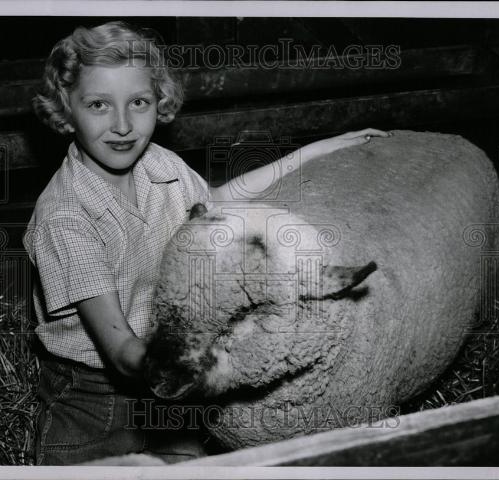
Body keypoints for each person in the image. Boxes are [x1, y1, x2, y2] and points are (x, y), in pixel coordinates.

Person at [24, 20, 390, 465]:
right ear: (65, 109)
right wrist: (197, 363)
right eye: (99, 104)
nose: (122, 125)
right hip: (94, 393)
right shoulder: (65, 216)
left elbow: (221, 199)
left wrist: (313, 152)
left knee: (201, 466)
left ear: (159, 102)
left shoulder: (161, 164)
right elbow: (120, 351)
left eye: (138, 102)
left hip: (170, 360)